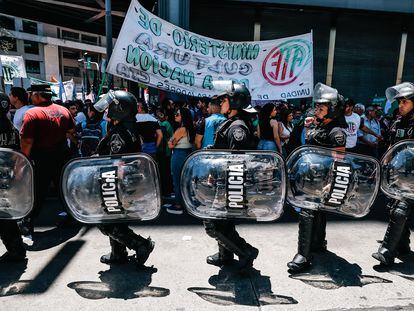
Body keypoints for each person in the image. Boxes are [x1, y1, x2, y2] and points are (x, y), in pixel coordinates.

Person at [287, 83, 347, 273]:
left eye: (322, 107)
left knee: (307, 212)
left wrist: (331, 184)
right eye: (318, 106)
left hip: (322, 180)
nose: (317, 109)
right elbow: (303, 145)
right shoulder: (316, 124)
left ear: (333, 110)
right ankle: (318, 244)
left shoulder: (336, 132)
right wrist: (305, 126)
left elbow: (339, 160)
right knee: (318, 212)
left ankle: (303, 256)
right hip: (309, 176)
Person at [94, 90, 155, 266]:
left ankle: (141, 244)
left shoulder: (119, 132)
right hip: (129, 183)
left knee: (107, 222)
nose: (107, 111)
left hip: (117, 183)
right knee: (116, 218)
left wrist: (111, 187)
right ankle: (117, 254)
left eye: (110, 107)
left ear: (120, 109)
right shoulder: (131, 127)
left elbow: (117, 163)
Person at [204, 81, 259, 271]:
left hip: (230, 184)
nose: (221, 102)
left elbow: (237, 163)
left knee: (213, 224)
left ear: (234, 102)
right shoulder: (231, 123)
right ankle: (224, 255)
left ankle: (246, 251)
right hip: (223, 181)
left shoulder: (238, 128)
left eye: (224, 99)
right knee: (224, 222)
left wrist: (228, 189)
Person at [19, 84, 77, 241]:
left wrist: (23, 162)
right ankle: (74, 217)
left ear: (37, 95)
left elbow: (27, 141)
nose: (30, 96)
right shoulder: (64, 110)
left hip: (41, 158)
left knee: (37, 192)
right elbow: (72, 133)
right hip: (62, 156)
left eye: (31, 94)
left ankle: (27, 223)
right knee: (63, 189)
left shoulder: (32, 113)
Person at [372, 82, 414, 266]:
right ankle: (403, 246)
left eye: (405, 102)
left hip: (412, 176)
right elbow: (392, 146)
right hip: (397, 174)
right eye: (400, 102)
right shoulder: (398, 122)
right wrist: (382, 165)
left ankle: (387, 251)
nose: (401, 105)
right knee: (393, 209)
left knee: (400, 210)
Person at [0, 93, 26, 263]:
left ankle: (16, 249)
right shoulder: (11, 128)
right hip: (8, 177)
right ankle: (17, 247)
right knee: (6, 215)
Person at [167, 107, 194, 214]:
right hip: (186, 153)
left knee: (177, 180)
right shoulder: (189, 128)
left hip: (179, 154)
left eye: (177, 114)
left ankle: (179, 204)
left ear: (183, 116)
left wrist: (170, 141)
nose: (175, 115)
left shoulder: (181, 129)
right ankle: (185, 203)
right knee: (184, 180)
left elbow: (170, 145)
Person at [156, 108, 174, 197]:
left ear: (166, 116)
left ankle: (167, 190)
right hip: (162, 150)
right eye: (158, 114)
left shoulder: (166, 124)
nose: (159, 116)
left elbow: (171, 136)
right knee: (164, 170)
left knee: (165, 171)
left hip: (165, 150)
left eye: (161, 114)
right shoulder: (159, 123)